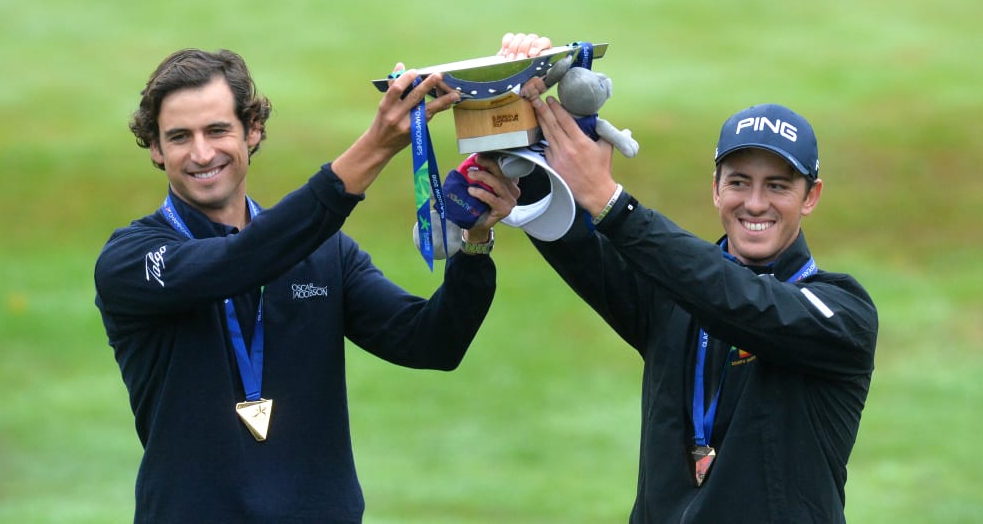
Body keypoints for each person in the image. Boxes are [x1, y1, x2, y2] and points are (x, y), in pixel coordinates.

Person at [93, 43, 526, 523]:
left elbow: (431, 343)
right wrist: (376, 145)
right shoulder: (132, 259)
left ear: (252, 130)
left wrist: (474, 243)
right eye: (179, 137)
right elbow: (241, 260)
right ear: (155, 147)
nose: (201, 153)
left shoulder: (323, 250)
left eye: (217, 130)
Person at [518, 37, 878, 522]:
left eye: (777, 186)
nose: (754, 204)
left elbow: (744, 301)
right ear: (715, 188)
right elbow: (573, 240)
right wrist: (520, 115)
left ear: (810, 196)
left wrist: (611, 202)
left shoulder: (843, 314)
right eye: (738, 182)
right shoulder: (671, 292)